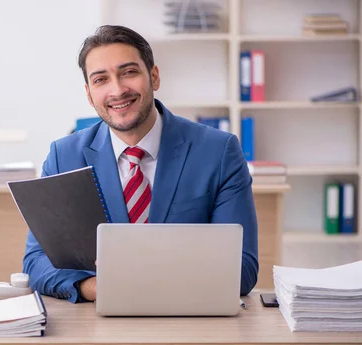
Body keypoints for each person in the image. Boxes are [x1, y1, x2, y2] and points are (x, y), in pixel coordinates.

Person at [23, 25, 258, 303]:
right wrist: (95, 287)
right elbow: (37, 260)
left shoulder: (219, 152)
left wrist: (137, 281)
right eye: (101, 80)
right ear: (89, 94)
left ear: (154, 77)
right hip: (97, 323)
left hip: (189, 321)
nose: (118, 90)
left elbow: (242, 267)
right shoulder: (64, 156)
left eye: (129, 72)